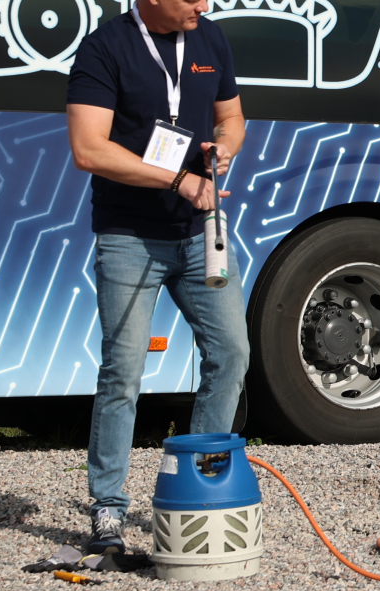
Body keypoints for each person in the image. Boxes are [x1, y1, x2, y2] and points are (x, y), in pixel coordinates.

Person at [65, 0, 248, 554]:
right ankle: (108, 507)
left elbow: (232, 118)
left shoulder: (210, 38)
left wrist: (223, 149)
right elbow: (88, 149)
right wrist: (178, 181)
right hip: (128, 236)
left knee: (232, 353)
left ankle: (198, 486)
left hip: (198, 234)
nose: (204, 5)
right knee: (123, 370)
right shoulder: (104, 47)